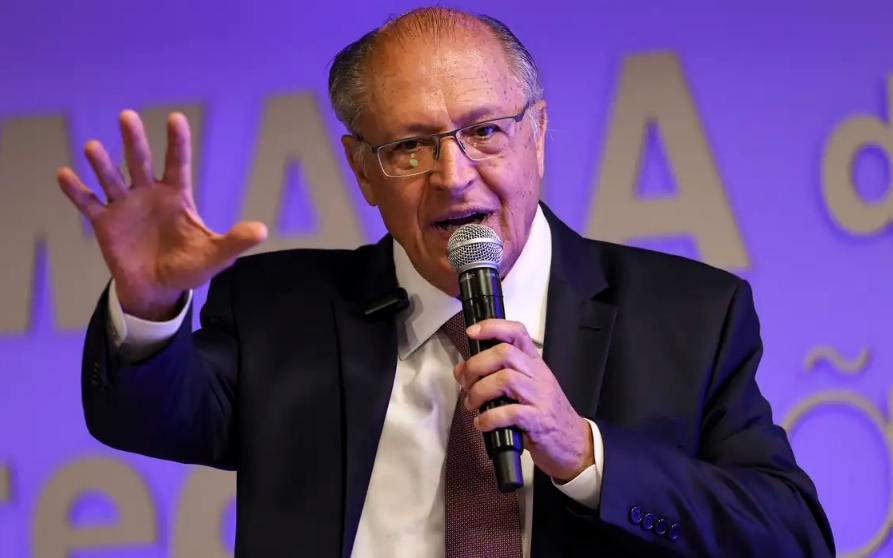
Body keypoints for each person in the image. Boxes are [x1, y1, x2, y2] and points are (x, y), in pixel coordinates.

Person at [58, 7, 835, 558]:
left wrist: (582, 453)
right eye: (411, 147)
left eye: (484, 131)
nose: (454, 176)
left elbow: (790, 536)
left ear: (537, 134)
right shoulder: (279, 309)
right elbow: (147, 418)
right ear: (362, 169)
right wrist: (149, 304)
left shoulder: (688, 314)